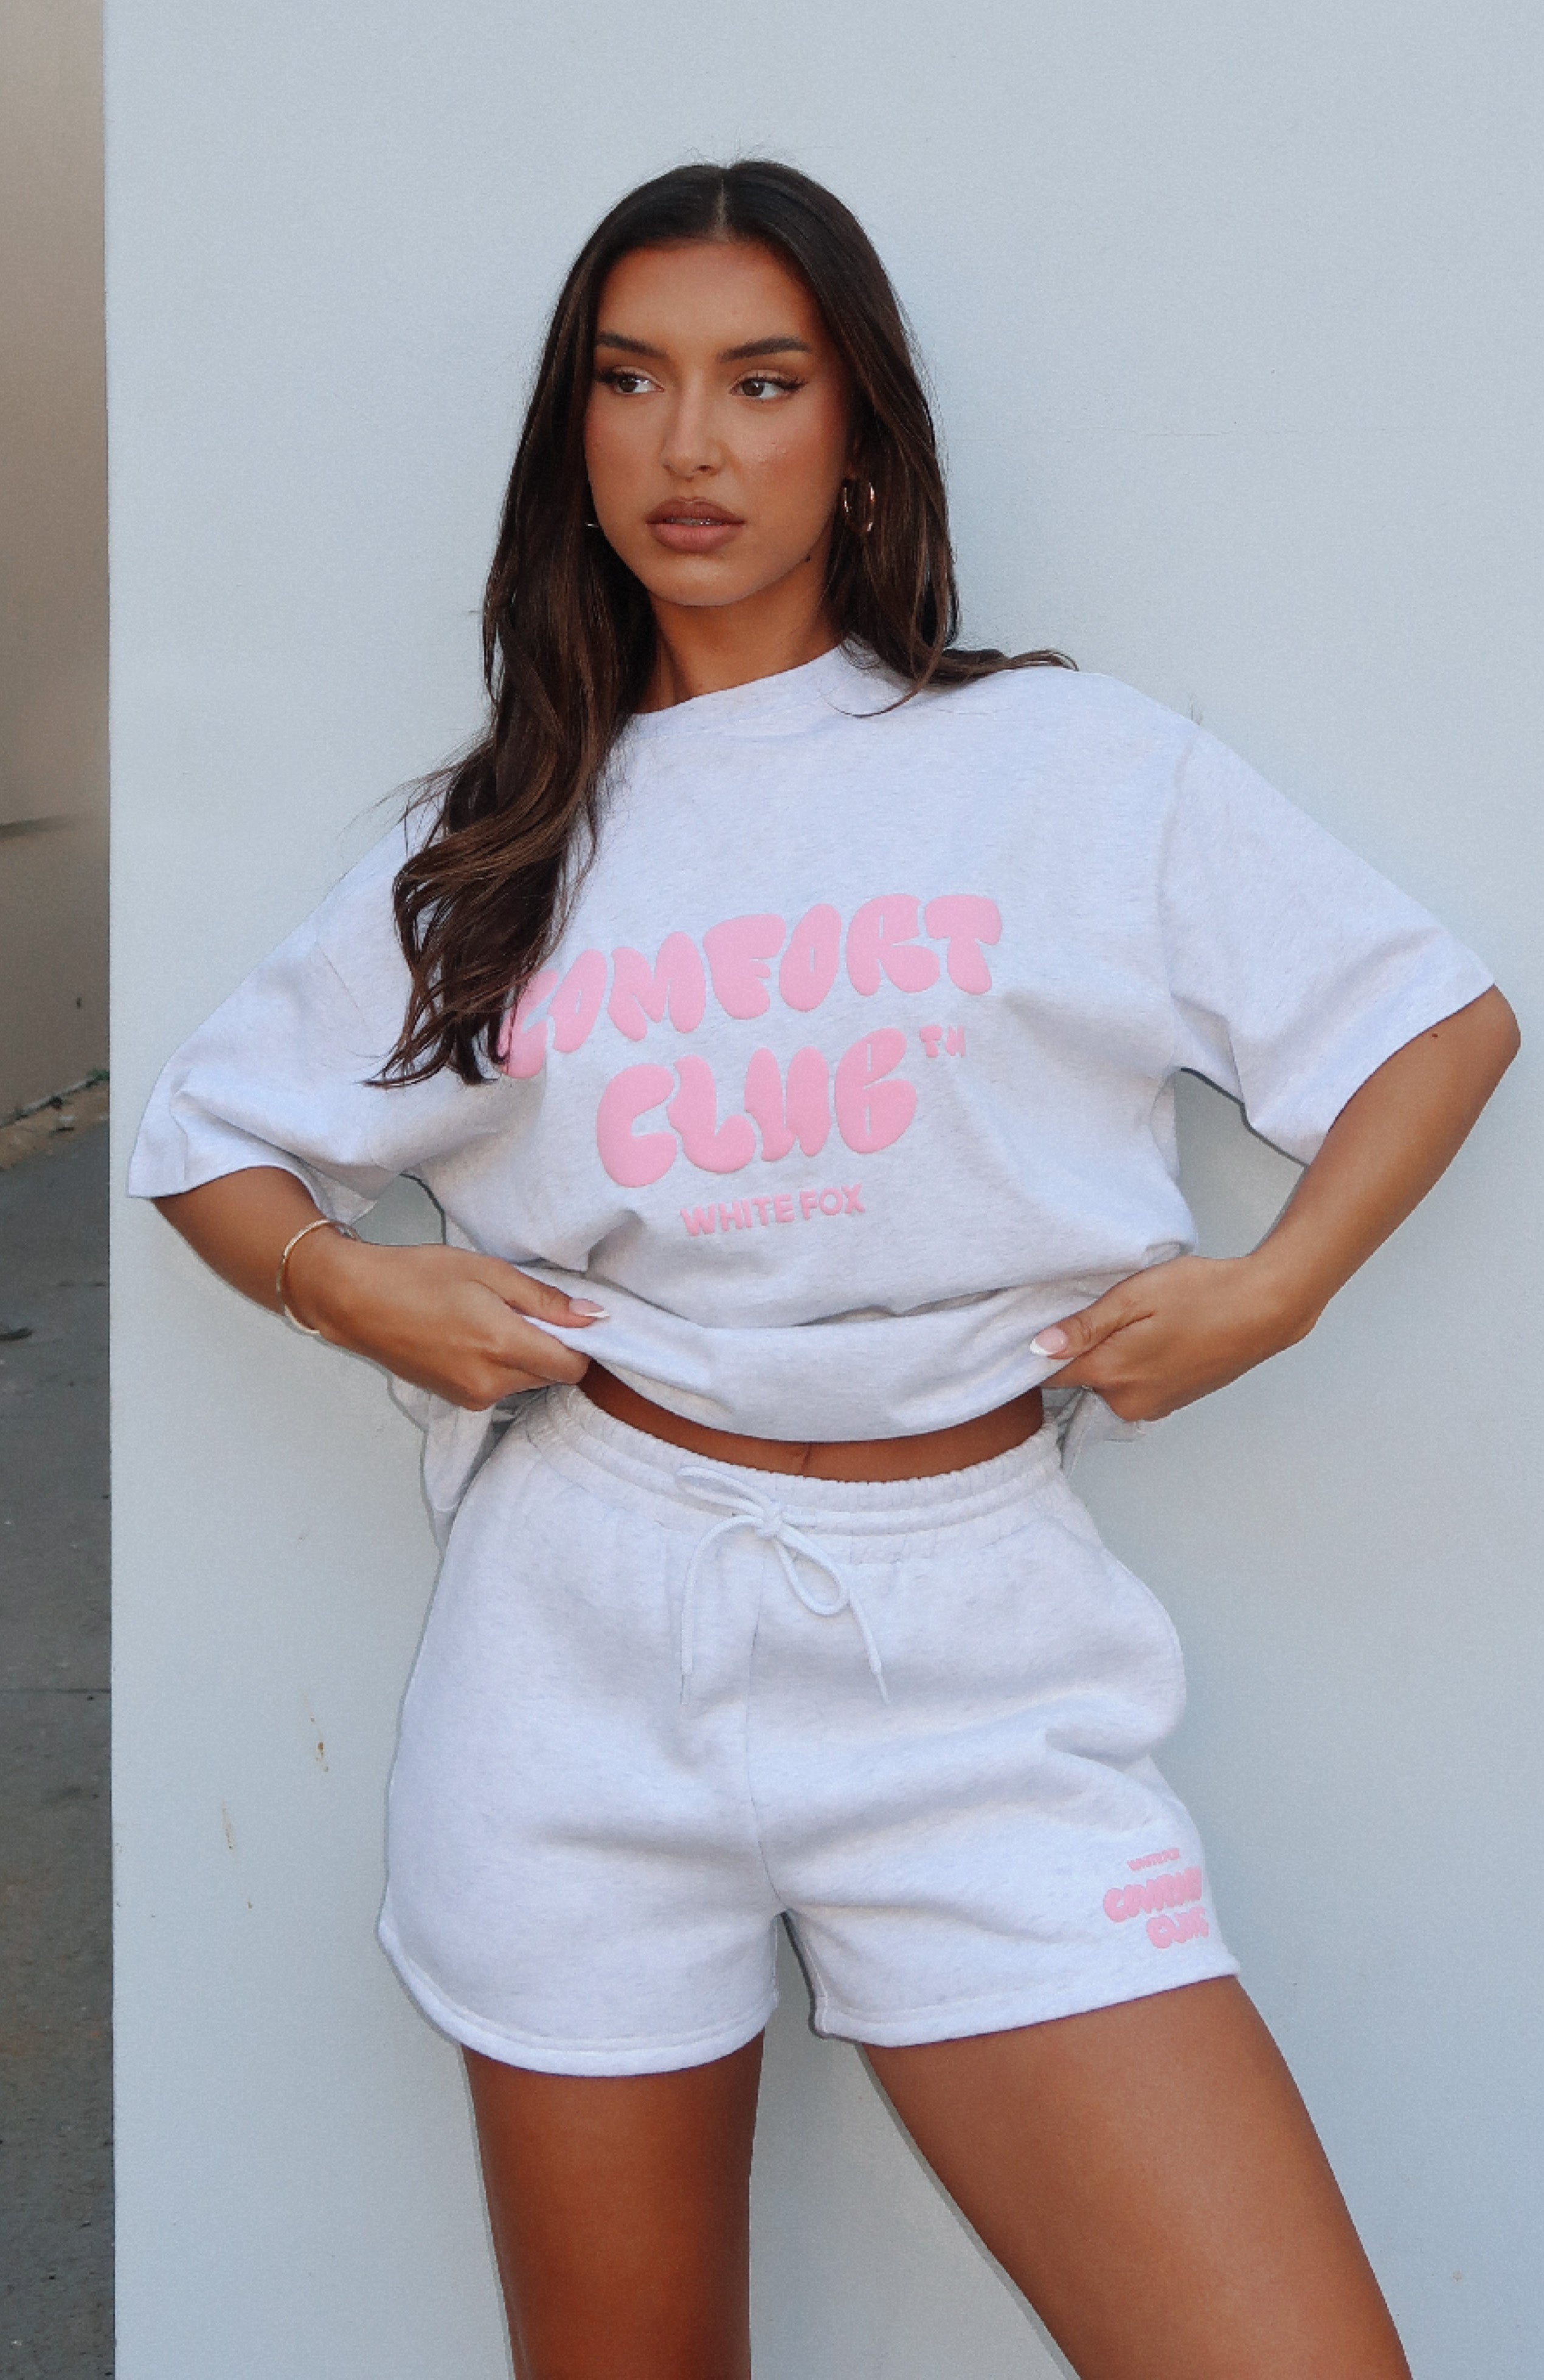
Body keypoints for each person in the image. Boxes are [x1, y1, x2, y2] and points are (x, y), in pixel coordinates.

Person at [129, 159, 1517, 2380]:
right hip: (580, 1641)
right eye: (631, 381)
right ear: (574, 434)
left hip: (975, 1649)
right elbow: (204, 1136)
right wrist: (348, 1283)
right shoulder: (500, 835)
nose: (689, 445)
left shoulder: (1063, 765)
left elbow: (1434, 1024)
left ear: (860, 431)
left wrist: (1275, 1288)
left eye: (761, 383)